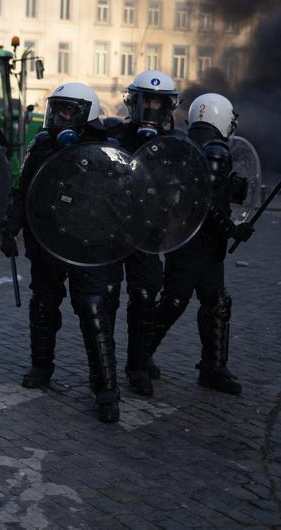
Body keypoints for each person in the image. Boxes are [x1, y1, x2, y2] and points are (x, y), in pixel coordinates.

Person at [0, 82, 122, 422]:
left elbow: (124, 200)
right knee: (43, 307)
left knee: (94, 312)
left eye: (69, 111)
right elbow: (22, 190)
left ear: (87, 115)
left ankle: (106, 390)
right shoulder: (41, 146)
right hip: (48, 241)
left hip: (90, 245)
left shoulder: (107, 150)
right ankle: (41, 367)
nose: (60, 117)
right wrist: (10, 227)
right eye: (58, 109)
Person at [148, 93, 252, 394]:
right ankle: (142, 359)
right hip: (199, 243)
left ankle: (211, 367)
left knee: (212, 302)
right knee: (176, 302)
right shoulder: (216, 149)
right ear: (220, 117)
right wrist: (232, 229)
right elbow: (203, 202)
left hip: (187, 239)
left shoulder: (186, 142)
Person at [104, 69, 182, 396]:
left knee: (145, 296)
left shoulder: (176, 144)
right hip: (112, 232)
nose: (151, 109)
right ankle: (103, 368)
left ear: (168, 107)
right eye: (145, 101)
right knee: (104, 298)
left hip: (148, 235)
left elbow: (183, 189)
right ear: (133, 102)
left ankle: (137, 365)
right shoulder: (114, 135)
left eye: (157, 103)